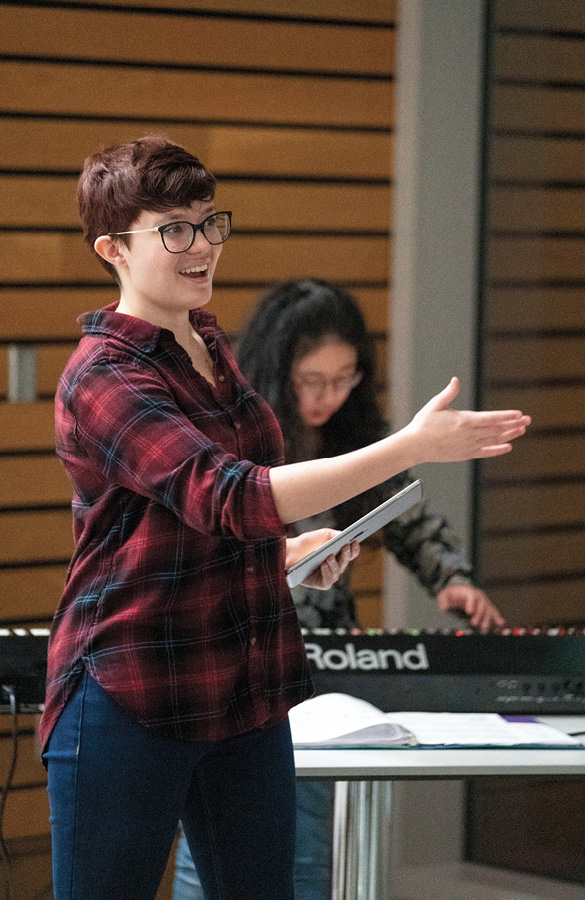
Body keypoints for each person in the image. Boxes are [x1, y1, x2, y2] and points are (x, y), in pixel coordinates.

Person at [39, 134, 529, 900]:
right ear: (112, 248)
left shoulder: (207, 341)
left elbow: (205, 528)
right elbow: (228, 494)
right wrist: (411, 446)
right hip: (134, 687)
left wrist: (288, 550)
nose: (201, 245)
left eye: (209, 222)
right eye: (174, 229)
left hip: (246, 681)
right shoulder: (102, 376)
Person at [172, 278, 508, 900]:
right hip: (236, 666)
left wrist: (452, 579)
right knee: (218, 850)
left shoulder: (352, 433)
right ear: (278, 370)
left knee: (309, 854)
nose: (329, 396)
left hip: (324, 672)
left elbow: (408, 517)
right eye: (312, 381)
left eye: (345, 377)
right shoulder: (235, 431)